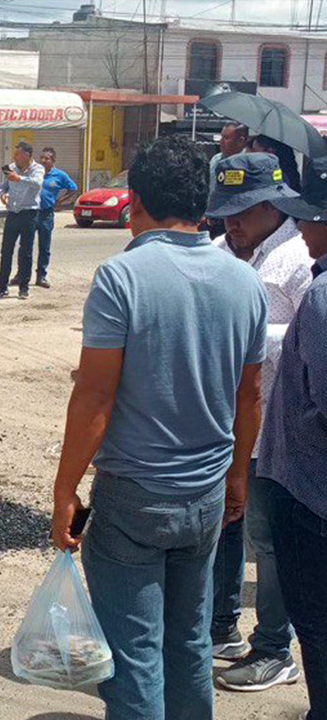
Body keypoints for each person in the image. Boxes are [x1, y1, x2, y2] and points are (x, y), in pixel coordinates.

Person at [50, 135, 268, 720]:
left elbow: (95, 394)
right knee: (189, 641)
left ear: (136, 199)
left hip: (134, 498)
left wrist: (64, 489)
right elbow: (250, 396)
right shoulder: (244, 280)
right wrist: (238, 477)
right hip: (205, 495)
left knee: (134, 656)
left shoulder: (122, 277)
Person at [207, 153, 311, 692]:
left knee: (268, 543)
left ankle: (274, 647)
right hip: (227, 426)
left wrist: (247, 334)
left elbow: (308, 335)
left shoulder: (298, 259)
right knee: (225, 527)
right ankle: (220, 625)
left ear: (272, 206)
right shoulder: (223, 251)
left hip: (277, 432)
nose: (231, 223)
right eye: (224, 212)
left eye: (241, 212)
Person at [255, 153, 327, 720]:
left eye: (310, 217)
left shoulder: (323, 298)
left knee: (319, 632)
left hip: (311, 498)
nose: (300, 226)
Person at [0, 141, 45, 300]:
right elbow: (3, 187)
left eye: (18, 154)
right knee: (6, 250)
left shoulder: (38, 169)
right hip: (13, 213)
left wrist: (19, 178)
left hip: (29, 214)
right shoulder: (11, 168)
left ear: (27, 155)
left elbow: (37, 183)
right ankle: (1, 287)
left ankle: (24, 287)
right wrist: (2, 195)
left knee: (26, 252)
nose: (15, 157)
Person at [33, 147, 79, 288]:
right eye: (41, 158)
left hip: (46, 214)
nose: (43, 160)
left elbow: (73, 188)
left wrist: (60, 200)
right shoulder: (36, 173)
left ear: (53, 161)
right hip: (32, 212)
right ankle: (21, 275)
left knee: (44, 246)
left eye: (46, 158)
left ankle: (41, 276)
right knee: (26, 245)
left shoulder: (59, 175)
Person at [207, 122, 249, 238]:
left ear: (240, 140)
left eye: (226, 138)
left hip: (236, 222)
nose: (221, 141)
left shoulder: (249, 163)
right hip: (213, 220)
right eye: (221, 136)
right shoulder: (216, 160)